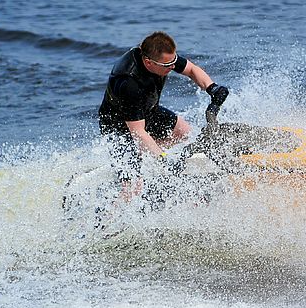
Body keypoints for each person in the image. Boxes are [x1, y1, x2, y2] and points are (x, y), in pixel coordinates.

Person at [98, 31, 229, 199]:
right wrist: (163, 158)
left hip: (148, 109)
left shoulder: (161, 56)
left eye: (174, 61)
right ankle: (108, 219)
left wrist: (212, 88)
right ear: (148, 63)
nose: (173, 67)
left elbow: (191, 69)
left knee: (185, 132)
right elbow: (138, 131)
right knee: (133, 188)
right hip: (119, 126)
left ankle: (145, 156)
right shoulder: (129, 82)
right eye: (168, 66)